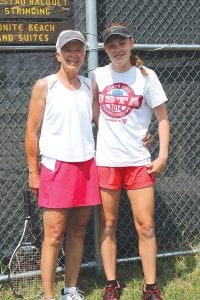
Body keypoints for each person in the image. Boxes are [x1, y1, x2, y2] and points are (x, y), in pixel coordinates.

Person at [92, 24, 170, 300]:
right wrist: (109, 132)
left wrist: (161, 155)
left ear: (131, 43)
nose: (117, 49)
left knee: (145, 226)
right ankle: (111, 284)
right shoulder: (98, 76)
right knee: (108, 224)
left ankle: (151, 287)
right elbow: (93, 111)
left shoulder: (146, 77)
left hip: (138, 162)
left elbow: (162, 118)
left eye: (121, 43)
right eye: (111, 45)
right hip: (107, 162)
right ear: (105, 49)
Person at [25, 30, 101, 300]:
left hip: (86, 167)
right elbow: (32, 131)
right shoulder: (44, 85)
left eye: (78, 49)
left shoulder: (89, 85)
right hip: (56, 167)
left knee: (78, 230)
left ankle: (70, 290)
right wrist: (34, 172)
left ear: (84, 54)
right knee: (54, 234)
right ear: (58, 54)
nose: (73, 54)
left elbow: (101, 124)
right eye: (67, 49)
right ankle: (48, 296)